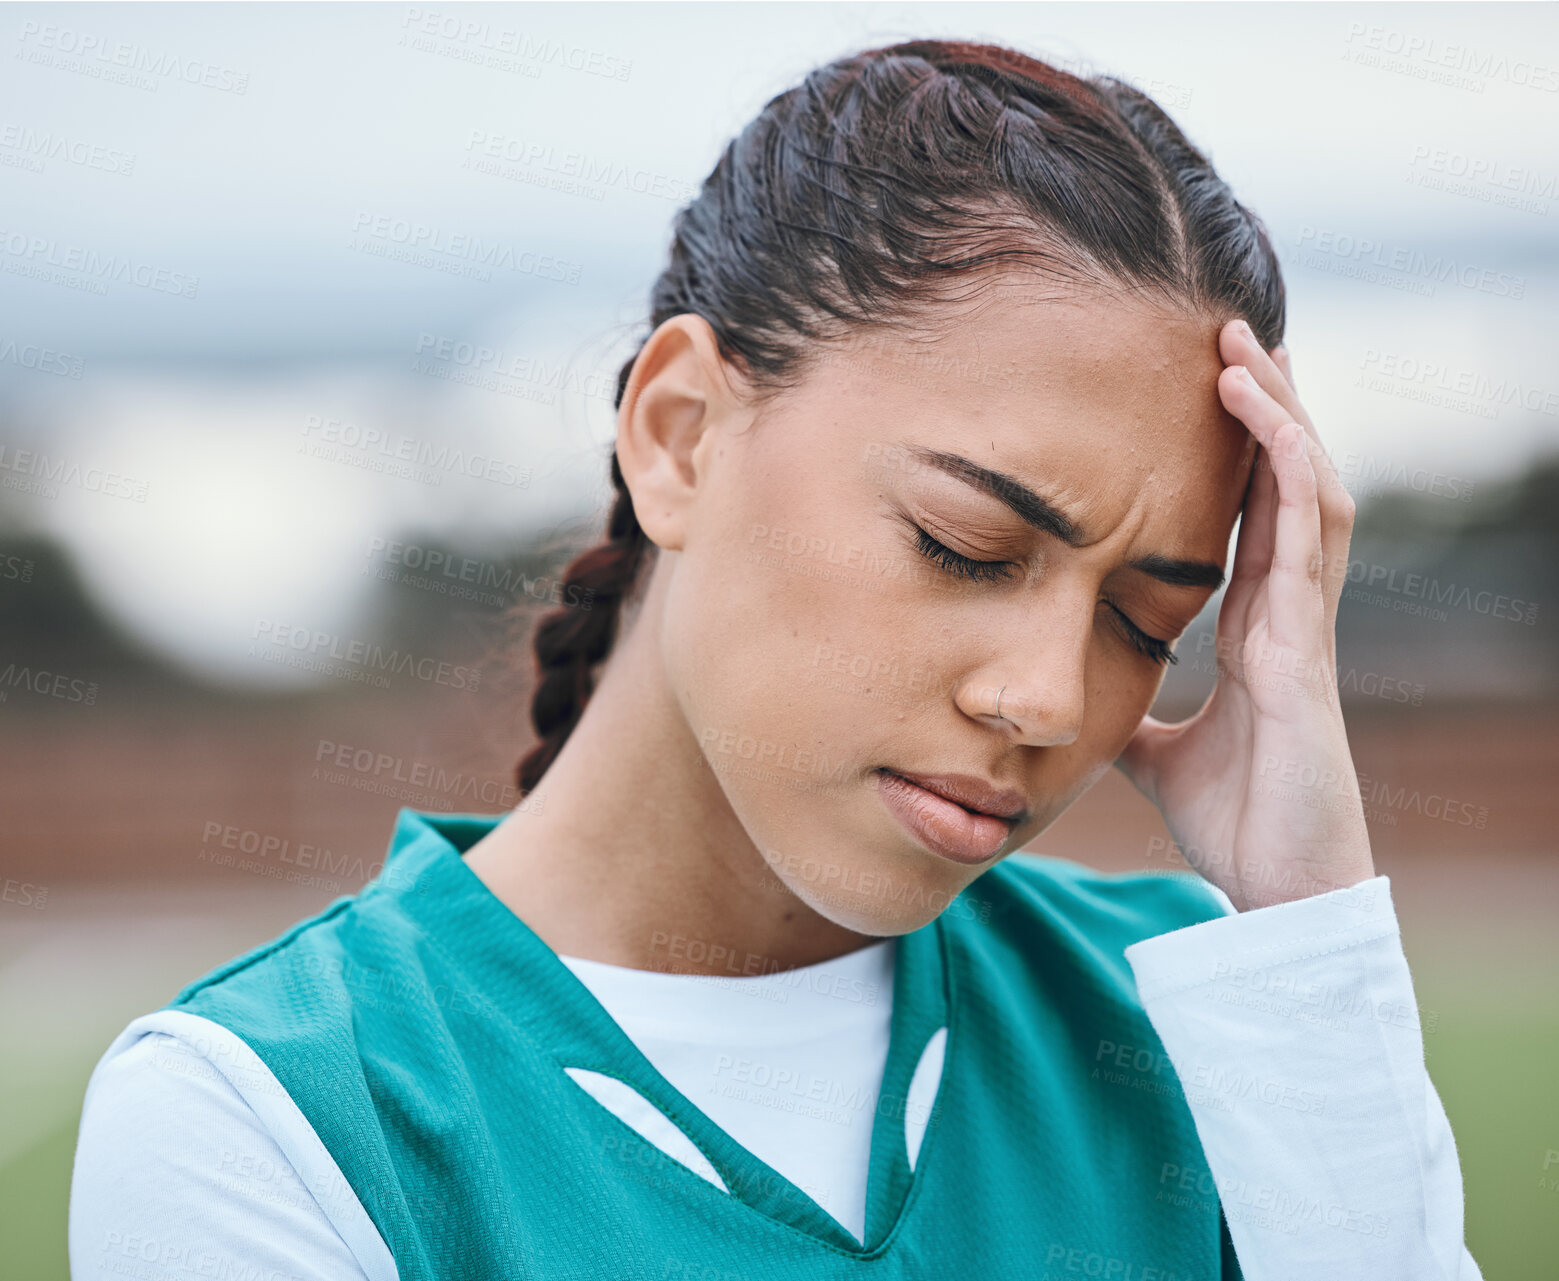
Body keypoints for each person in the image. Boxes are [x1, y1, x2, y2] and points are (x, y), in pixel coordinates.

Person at [69, 38, 1483, 1280]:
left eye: (1145, 624)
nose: (1048, 698)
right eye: (965, 544)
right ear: (681, 434)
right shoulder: (274, 1117)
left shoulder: (1208, 1020)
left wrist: (1305, 924)